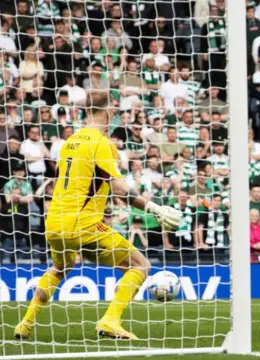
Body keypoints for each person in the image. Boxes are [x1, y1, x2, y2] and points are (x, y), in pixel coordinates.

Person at [14, 91, 181, 340]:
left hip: (54, 222)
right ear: (110, 111)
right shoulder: (101, 143)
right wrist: (155, 208)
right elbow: (119, 188)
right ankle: (110, 320)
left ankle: (24, 325)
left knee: (60, 268)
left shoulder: (70, 141)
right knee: (140, 265)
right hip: (83, 224)